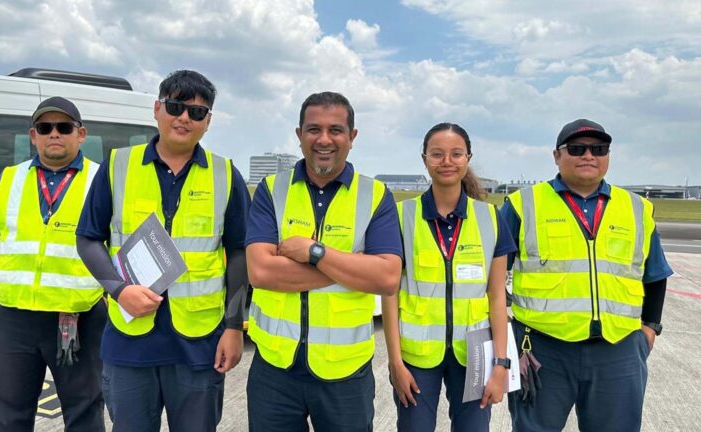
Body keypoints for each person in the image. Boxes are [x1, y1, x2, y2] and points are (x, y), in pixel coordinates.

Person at [75, 70, 250, 432]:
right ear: (157, 109)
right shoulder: (117, 166)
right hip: (129, 343)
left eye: (197, 113)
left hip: (198, 346)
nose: (184, 117)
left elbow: (239, 253)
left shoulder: (226, 175)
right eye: (175, 106)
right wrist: (119, 290)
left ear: (208, 123)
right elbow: (88, 238)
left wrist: (234, 327)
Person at [245, 91, 403, 432]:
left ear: (352, 136)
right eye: (314, 129)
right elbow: (260, 271)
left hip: (345, 375)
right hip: (274, 370)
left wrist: (316, 253)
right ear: (299, 134)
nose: (324, 139)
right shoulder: (271, 190)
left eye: (336, 130)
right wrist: (354, 268)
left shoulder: (375, 197)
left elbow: (388, 278)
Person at [502, 119, 673, 431]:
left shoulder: (636, 208)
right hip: (542, 351)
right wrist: (505, 338)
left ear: (608, 155)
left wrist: (650, 328)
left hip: (618, 348)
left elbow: (656, 274)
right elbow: (493, 275)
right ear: (557, 155)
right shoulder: (522, 204)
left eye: (599, 148)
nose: (588, 156)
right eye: (577, 148)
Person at [0, 96, 106, 431]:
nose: (54, 134)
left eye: (64, 127)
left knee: (84, 412)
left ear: (81, 134)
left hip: (79, 319)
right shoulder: (7, 180)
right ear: (34, 136)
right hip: (11, 319)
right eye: (45, 128)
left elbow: (120, 246)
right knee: (10, 414)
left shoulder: (102, 182)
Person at [382, 123, 516, 432]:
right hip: (416, 356)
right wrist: (395, 364)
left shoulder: (490, 218)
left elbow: (497, 297)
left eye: (456, 154)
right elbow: (389, 294)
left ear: (468, 158)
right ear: (424, 159)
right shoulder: (401, 217)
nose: (447, 161)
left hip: (475, 354)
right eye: (437, 154)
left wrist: (501, 363)